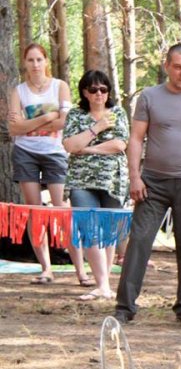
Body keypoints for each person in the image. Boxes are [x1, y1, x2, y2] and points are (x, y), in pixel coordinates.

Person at [114, 43, 181, 323]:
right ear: (167, 67)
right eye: (178, 67)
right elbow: (136, 139)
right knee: (139, 241)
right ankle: (125, 307)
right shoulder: (149, 97)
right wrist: (135, 177)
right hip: (153, 182)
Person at [7, 43, 90, 286]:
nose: (35, 65)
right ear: (25, 63)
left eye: (39, 60)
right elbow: (13, 128)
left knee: (62, 209)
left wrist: (28, 123)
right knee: (34, 210)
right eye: (30, 60)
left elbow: (64, 121)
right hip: (25, 152)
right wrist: (46, 118)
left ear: (46, 62)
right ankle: (45, 269)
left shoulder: (59, 86)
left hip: (55, 152)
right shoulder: (19, 91)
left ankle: (81, 271)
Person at [62, 70, 130, 301]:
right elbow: (70, 145)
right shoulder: (75, 115)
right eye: (93, 89)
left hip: (113, 180)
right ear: (85, 92)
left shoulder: (118, 113)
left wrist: (88, 147)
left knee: (109, 232)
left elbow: (120, 144)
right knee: (89, 229)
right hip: (81, 180)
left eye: (103, 89)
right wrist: (97, 128)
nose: (99, 93)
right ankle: (101, 284)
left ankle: (105, 284)